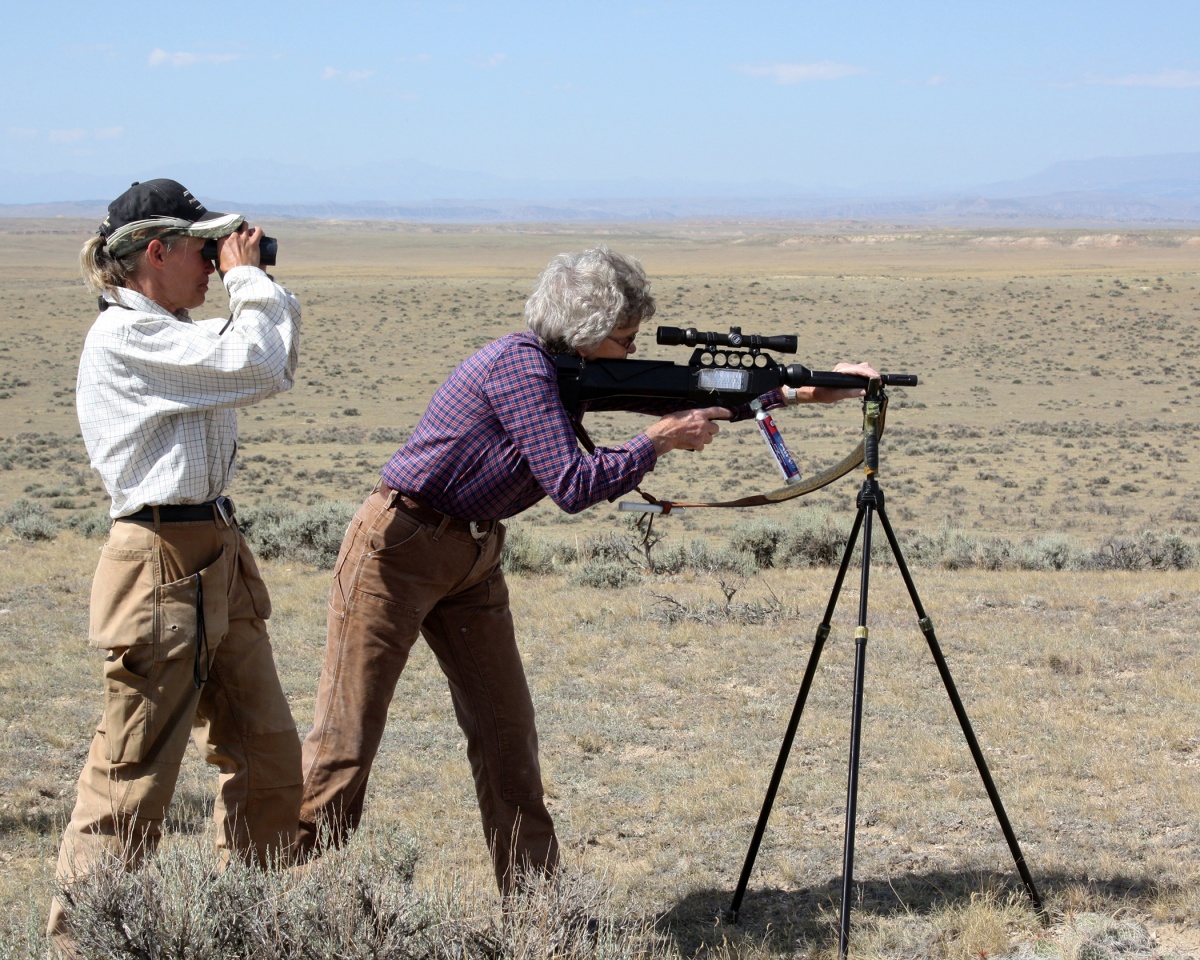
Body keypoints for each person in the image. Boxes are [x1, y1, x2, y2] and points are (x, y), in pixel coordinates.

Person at [296, 246, 876, 892]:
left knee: (507, 741)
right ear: (587, 331)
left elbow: (676, 390)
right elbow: (572, 484)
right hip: (398, 548)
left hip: (473, 556)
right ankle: (279, 900)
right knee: (345, 745)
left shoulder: (567, 368)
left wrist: (797, 390)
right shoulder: (522, 368)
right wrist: (657, 441)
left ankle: (540, 917)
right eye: (624, 338)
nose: (631, 351)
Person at [48, 179, 304, 948]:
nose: (212, 266)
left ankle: (247, 926)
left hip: (216, 550)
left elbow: (270, 361)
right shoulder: (129, 336)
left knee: (266, 754)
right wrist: (250, 281)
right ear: (153, 252)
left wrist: (252, 279)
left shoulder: (180, 334)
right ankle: (83, 941)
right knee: (133, 776)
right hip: (157, 558)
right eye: (203, 250)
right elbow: (256, 362)